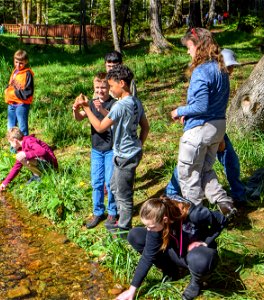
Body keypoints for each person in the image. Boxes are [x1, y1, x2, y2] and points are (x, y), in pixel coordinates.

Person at [165, 48, 247, 207]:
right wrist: (186, 113)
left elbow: (206, 106)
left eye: (232, 67)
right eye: (230, 66)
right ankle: (173, 192)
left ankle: (229, 198)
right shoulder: (213, 74)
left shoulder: (219, 77)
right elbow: (201, 104)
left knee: (194, 166)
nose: (231, 70)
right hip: (208, 127)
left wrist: (181, 111)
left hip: (210, 128)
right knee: (193, 166)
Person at [74, 64, 150, 233]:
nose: (110, 89)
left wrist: (87, 107)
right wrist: (139, 145)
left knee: (124, 195)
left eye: (112, 86)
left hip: (124, 155)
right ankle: (115, 216)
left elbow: (100, 127)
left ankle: (123, 228)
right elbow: (145, 127)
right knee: (114, 185)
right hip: (130, 152)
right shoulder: (136, 101)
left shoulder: (120, 105)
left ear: (121, 83)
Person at [116, 196, 226, 300]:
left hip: (197, 255)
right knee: (135, 235)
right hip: (177, 252)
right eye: (146, 226)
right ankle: (172, 271)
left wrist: (205, 242)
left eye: (151, 226)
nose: (148, 229)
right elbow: (147, 256)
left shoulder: (194, 214)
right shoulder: (157, 221)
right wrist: (132, 290)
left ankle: (197, 282)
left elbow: (221, 220)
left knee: (200, 259)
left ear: (164, 219)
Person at [72, 72, 117, 229]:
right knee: (96, 182)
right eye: (97, 88)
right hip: (96, 149)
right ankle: (98, 212)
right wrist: (76, 110)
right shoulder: (91, 103)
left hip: (111, 148)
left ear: (109, 87)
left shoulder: (113, 104)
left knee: (110, 182)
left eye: (103, 87)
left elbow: (106, 122)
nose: (100, 91)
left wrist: (100, 109)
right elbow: (79, 117)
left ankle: (112, 211)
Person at [0, 127, 58, 191]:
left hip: (51, 167)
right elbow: (17, 167)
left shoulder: (29, 141)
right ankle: (37, 175)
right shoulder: (21, 149)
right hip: (42, 165)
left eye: (10, 143)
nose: (11, 146)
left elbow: (42, 151)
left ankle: (39, 176)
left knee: (22, 157)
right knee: (20, 157)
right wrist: (5, 183)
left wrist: (26, 154)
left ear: (15, 141)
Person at [4, 49, 34, 137]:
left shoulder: (28, 74)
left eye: (21, 63)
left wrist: (15, 93)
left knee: (22, 127)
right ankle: (13, 148)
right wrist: (7, 90)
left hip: (22, 105)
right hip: (11, 104)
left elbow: (28, 92)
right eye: (16, 62)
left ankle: (25, 147)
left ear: (26, 62)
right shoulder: (15, 72)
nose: (18, 65)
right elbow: (11, 84)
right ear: (14, 60)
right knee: (10, 127)